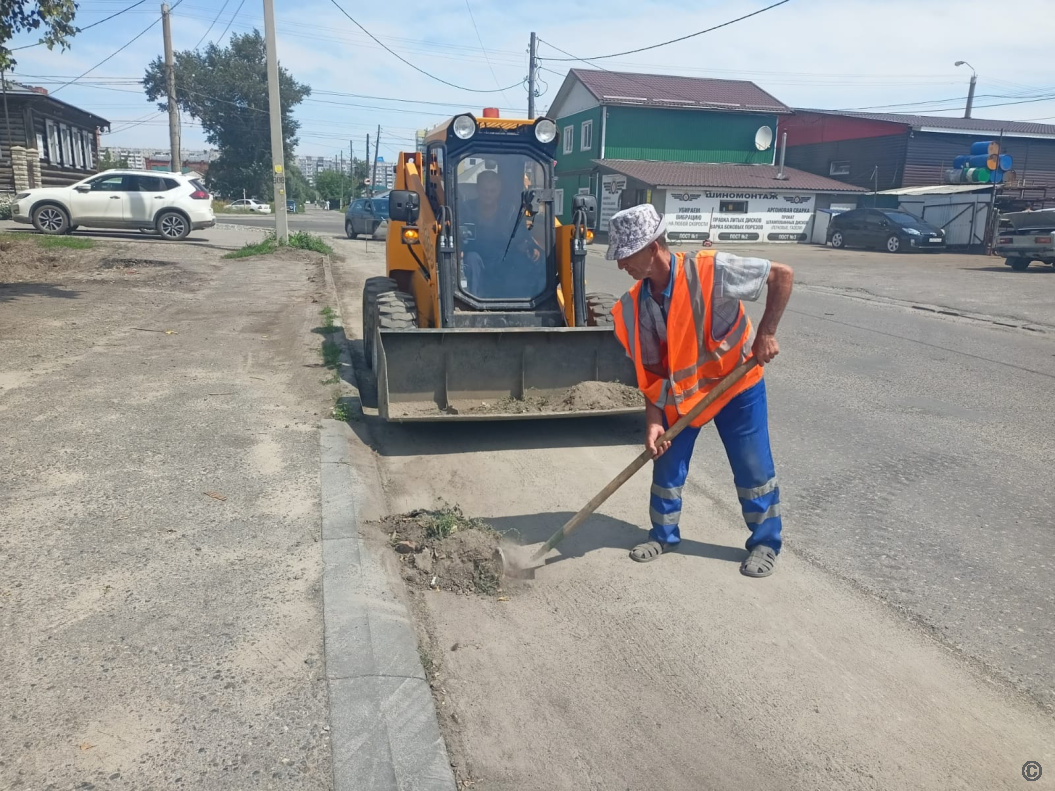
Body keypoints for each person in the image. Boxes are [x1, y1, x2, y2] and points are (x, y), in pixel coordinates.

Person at [608, 204, 793, 578]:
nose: (621, 264)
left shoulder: (711, 269)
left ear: (653, 246)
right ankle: (663, 535)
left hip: (737, 386)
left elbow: (781, 275)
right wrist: (653, 421)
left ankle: (765, 543)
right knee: (666, 464)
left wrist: (767, 333)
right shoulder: (634, 307)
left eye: (627, 255)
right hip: (685, 397)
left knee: (753, 466)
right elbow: (652, 373)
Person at [460, 169, 544, 298]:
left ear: (499, 191)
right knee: (471, 259)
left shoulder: (510, 212)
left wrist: (531, 247)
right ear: (478, 189)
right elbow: (456, 233)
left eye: (492, 191)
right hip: (475, 259)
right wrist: (459, 249)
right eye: (485, 190)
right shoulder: (466, 210)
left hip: (502, 259)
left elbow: (522, 235)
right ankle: (473, 300)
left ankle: (517, 301)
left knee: (521, 261)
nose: (488, 194)